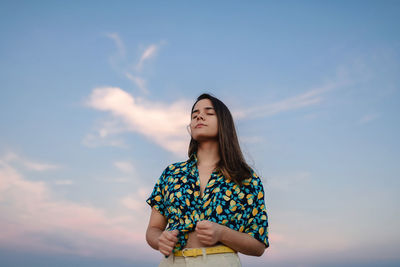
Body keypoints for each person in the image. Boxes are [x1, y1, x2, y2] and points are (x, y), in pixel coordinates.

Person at [146, 93, 269, 266]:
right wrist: (160, 240)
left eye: (209, 113)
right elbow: (153, 229)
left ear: (224, 123)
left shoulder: (246, 178)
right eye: (194, 114)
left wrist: (222, 233)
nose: (199, 116)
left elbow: (258, 245)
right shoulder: (171, 173)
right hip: (173, 262)